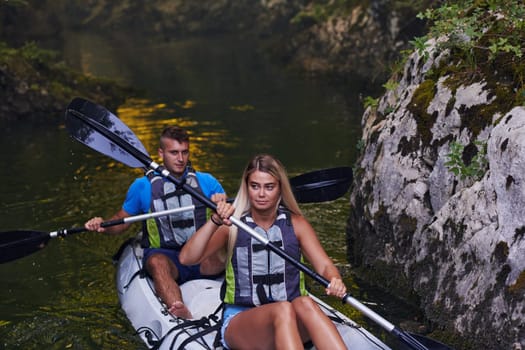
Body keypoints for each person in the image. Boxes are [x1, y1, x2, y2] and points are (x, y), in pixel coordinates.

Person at [179, 154, 348, 350]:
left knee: (305, 303)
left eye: (269, 187)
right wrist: (215, 220)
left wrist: (335, 279)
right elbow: (187, 258)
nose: (261, 194)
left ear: (280, 189)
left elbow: (325, 266)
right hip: (241, 321)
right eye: (255, 186)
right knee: (282, 309)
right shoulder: (231, 224)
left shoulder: (296, 224)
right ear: (246, 187)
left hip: (290, 316)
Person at [85, 126, 227, 319]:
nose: (180, 159)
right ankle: (178, 308)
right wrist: (103, 224)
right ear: (161, 153)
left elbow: (226, 213)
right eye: (174, 152)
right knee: (155, 262)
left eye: (184, 152)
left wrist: (221, 203)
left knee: (232, 238)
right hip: (167, 257)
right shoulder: (143, 186)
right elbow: (121, 221)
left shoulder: (207, 181)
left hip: (201, 257)